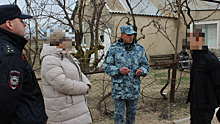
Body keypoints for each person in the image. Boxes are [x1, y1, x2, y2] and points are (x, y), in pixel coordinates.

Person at [0, 4, 48, 123]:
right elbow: (7, 98)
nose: (25, 25)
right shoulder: (9, 54)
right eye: (21, 21)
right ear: (9, 24)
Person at [40, 30, 92, 124]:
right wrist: (85, 87)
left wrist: (87, 83)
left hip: (74, 106)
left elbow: (79, 72)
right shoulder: (49, 60)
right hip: (63, 110)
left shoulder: (66, 57)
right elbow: (62, 84)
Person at [103, 25, 150, 124]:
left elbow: (146, 66)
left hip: (133, 89)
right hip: (119, 90)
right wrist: (118, 70)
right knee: (118, 116)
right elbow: (107, 66)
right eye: (128, 35)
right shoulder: (113, 49)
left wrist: (142, 71)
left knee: (131, 117)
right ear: (122, 35)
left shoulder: (139, 49)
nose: (131, 37)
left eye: (132, 34)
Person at [186, 27, 220, 124]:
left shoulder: (211, 60)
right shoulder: (196, 59)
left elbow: (218, 82)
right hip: (195, 103)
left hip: (206, 105)